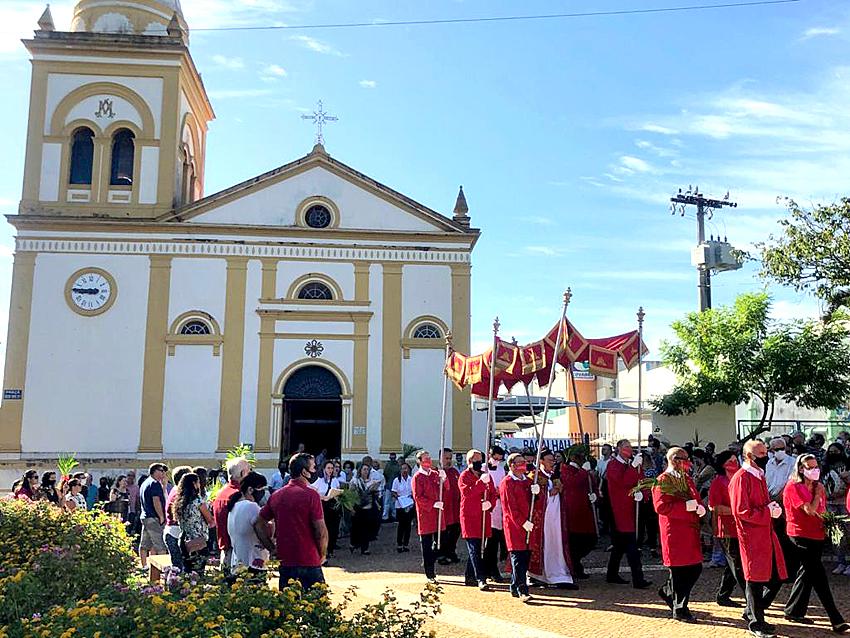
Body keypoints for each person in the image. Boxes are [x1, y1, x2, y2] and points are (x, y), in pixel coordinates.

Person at [781, 454, 849, 632]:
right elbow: (810, 510)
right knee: (818, 576)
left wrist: (830, 523)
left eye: (816, 466)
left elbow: (821, 511)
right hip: (800, 536)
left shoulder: (818, 486)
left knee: (807, 574)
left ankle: (793, 610)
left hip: (817, 534)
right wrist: (818, 495)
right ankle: (835, 618)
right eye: (810, 467)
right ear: (801, 469)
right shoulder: (793, 487)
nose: (815, 470)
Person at [730, 440, 787, 638]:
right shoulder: (741, 478)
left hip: (765, 533)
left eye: (766, 452)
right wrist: (767, 512)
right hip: (752, 536)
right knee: (754, 580)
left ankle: (753, 612)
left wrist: (772, 507)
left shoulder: (758, 475)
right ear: (749, 456)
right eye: (761, 453)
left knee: (775, 576)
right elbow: (741, 511)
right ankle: (756, 622)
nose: (766, 456)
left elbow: (760, 503)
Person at [259, 453, 328, 590]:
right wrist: (323, 553)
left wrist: (271, 547)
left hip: (286, 559)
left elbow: (259, 523)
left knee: (289, 606)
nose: (315, 471)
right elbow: (320, 531)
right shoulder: (311, 495)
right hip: (309, 559)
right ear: (304, 472)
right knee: (317, 605)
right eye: (314, 467)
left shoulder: (277, 495)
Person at [653, 447, 706, 623]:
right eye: (684, 459)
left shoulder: (687, 479)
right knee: (679, 572)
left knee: (694, 568)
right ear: (675, 460)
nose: (688, 463)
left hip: (689, 530)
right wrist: (687, 508)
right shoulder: (663, 480)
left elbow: (694, 497)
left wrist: (699, 507)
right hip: (674, 531)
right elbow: (661, 507)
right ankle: (680, 608)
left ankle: (668, 592)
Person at [605, 439, 651, 589]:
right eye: (626, 447)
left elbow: (642, 481)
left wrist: (643, 494)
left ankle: (611, 573)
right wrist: (632, 467)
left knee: (619, 546)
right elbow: (622, 482)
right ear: (618, 449)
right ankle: (638, 578)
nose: (629, 450)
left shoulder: (633, 465)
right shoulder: (613, 465)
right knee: (631, 546)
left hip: (633, 507)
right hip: (620, 510)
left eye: (630, 447)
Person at [528, 449, 575, 588]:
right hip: (543, 519)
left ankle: (559, 573)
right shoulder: (534, 477)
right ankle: (538, 575)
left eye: (553, 460)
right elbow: (533, 499)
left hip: (556, 518)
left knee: (556, 544)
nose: (552, 463)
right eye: (549, 460)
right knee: (544, 544)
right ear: (541, 461)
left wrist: (559, 490)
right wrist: (549, 493)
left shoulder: (555, 477)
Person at [709, 451, 746, 608]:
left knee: (734, 564)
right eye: (730, 461)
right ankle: (750, 595)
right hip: (726, 528)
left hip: (740, 526)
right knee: (737, 563)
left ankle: (723, 595)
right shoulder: (719, 482)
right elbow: (714, 507)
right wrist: (738, 510)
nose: (734, 463)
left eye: (735, 460)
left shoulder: (741, 479)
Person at [459, 448, 497, 590]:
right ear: (470, 461)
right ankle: (481, 578)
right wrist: (481, 483)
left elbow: (493, 494)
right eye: (476, 460)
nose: (479, 463)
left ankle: (470, 576)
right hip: (470, 517)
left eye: (480, 460)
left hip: (483, 516)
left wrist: (490, 504)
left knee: (480, 547)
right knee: (475, 548)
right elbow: (467, 493)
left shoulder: (486, 476)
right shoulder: (464, 476)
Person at [500, 452, 535, 603]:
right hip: (515, 526)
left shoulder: (526, 481)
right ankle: (522, 589)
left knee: (525, 556)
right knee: (518, 558)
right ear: (512, 465)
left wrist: (536, 493)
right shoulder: (507, 483)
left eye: (524, 462)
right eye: (520, 463)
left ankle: (515, 586)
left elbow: (532, 501)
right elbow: (510, 508)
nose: (523, 465)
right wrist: (522, 522)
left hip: (528, 524)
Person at [560, 447, 598, 579]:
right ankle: (574, 566)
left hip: (585, 510)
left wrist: (595, 495)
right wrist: (583, 471)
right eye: (579, 456)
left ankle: (575, 564)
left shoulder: (584, 471)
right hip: (573, 512)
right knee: (575, 543)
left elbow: (592, 484)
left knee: (590, 540)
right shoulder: (565, 469)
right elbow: (572, 483)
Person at [227, 471, 274, 575]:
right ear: (250, 490)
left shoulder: (234, 506)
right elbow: (263, 529)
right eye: (261, 489)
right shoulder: (251, 506)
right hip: (253, 562)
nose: (263, 493)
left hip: (238, 563)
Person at [411, 450, 445, 583]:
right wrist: (433, 503)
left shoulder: (435, 474)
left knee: (440, 543)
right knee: (426, 544)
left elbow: (445, 488)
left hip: (438, 514)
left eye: (429, 458)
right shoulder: (417, 477)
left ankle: (430, 560)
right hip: (426, 514)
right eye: (425, 459)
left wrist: (444, 478)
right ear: (419, 462)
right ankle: (429, 572)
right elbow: (418, 497)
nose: (428, 461)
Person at [212, 456, 250, 574]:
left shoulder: (221, 492)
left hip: (225, 547)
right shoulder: (238, 495)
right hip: (236, 550)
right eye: (249, 471)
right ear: (243, 473)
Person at [171, 472, 214, 574]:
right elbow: (210, 520)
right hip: (198, 541)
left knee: (188, 570)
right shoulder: (198, 501)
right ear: (194, 484)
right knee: (198, 572)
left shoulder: (179, 502)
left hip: (184, 539)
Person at [483, 445, 508, 582]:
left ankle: (493, 569)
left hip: (499, 508)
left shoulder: (501, 470)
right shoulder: (482, 469)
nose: (497, 461)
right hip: (487, 508)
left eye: (499, 459)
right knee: (487, 542)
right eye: (495, 458)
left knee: (495, 541)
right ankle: (487, 569)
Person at [162, 466, 193, 571]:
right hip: (175, 534)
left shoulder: (175, 490)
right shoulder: (179, 493)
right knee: (179, 569)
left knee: (178, 568)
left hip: (172, 532)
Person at [138, 463, 169, 569]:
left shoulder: (145, 482)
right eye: (161, 471)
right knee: (160, 545)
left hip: (146, 517)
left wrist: (164, 485)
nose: (163, 473)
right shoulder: (155, 483)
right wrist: (161, 516)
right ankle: (164, 569)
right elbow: (156, 501)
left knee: (145, 544)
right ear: (155, 471)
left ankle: (144, 566)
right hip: (154, 517)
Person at [311, 460, 342, 560]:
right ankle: (323, 550)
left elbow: (338, 491)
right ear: (324, 469)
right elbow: (312, 491)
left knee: (334, 529)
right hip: (323, 506)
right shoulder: (319, 481)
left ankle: (331, 549)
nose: (330, 470)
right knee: (324, 529)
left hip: (333, 507)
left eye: (332, 468)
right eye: (328, 468)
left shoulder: (335, 480)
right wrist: (323, 497)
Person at [438, 448, 462, 565]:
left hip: (455, 508)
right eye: (446, 458)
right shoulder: (436, 473)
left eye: (450, 458)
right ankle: (442, 553)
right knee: (443, 534)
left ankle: (451, 551)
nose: (448, 461)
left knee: (455, 532)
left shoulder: (455, 472)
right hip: (444, 509)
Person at [349, 463, 380, 555]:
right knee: (356, 527)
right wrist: (351, 508)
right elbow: (351, 495)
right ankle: (353, 543)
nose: (366, 471)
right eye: (364, 469)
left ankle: (365, 548)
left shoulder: (371, 481)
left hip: (368, 507)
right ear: (360, 470)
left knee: (366, 528)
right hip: (358, 507)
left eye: (367, 470)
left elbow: (376, 495)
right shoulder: (355, 481)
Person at [392, 462, 415, 553]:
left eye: (406, 468)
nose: (404, 470)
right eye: (402, 469)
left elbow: (414, 491)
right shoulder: (396, 480)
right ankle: (399, 544)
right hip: (400, 505)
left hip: (409, 505)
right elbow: (393, 491)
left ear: (409, 470)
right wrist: (399, 498)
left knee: (408, 526)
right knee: (401, 525)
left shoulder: (411, 479)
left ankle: (406, 544)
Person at [382, 452, 401, 522]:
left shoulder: (398, 466)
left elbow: (399, 475)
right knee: (386, 502)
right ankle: (385, 517)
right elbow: (385, 475)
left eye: (393, 458)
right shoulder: (388, 465)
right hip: (389, 485)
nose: (392, 459)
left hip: (395, 487)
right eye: (391, 458)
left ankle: (394, 516)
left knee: (394, 502)